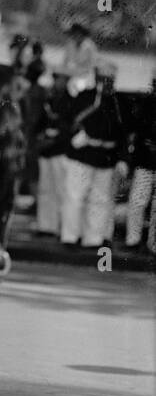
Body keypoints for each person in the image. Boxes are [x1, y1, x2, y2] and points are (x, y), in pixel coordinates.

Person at [60, 60, 124, 248]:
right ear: (96, 78)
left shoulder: (117, 102)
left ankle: (94, 239)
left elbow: (122, 131)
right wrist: (74, 136)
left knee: (100, 200)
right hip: (82, 155)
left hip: (106, 158)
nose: (106, 83)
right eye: (103, 79)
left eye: (110, 80)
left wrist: (121, 158)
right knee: (75, 198)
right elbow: (68, 120)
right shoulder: (85, 98)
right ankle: (71, 237)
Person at [33, 71, 72, 236]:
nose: (58, 81)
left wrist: (55, 137)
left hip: (60, 150)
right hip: (46, 151)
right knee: (44, 190)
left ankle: (60, 227)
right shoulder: (48, 99)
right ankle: (45, 225)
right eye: (56, 78)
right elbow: (40, 121)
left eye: (61, 78)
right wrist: (41, 137)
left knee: (61, 191)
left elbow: (69, 126)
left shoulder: (70, 100)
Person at [123, 76, 156, 252]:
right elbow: (136, 132)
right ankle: (132, 240)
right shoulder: (147, 105)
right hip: (145, 162)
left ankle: (153, 244)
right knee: (138, 201)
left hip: (146, 161)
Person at [59, 21, 99, 96]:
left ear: (82, 34)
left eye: (76, 33)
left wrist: (75, 70)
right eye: (73, 34)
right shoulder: (69, 44)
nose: (74, 36)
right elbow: (65, 63)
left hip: (85, 77)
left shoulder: (90, 47)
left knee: (73, 86)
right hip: (69, 74)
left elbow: (91, 66)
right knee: (57, 84)